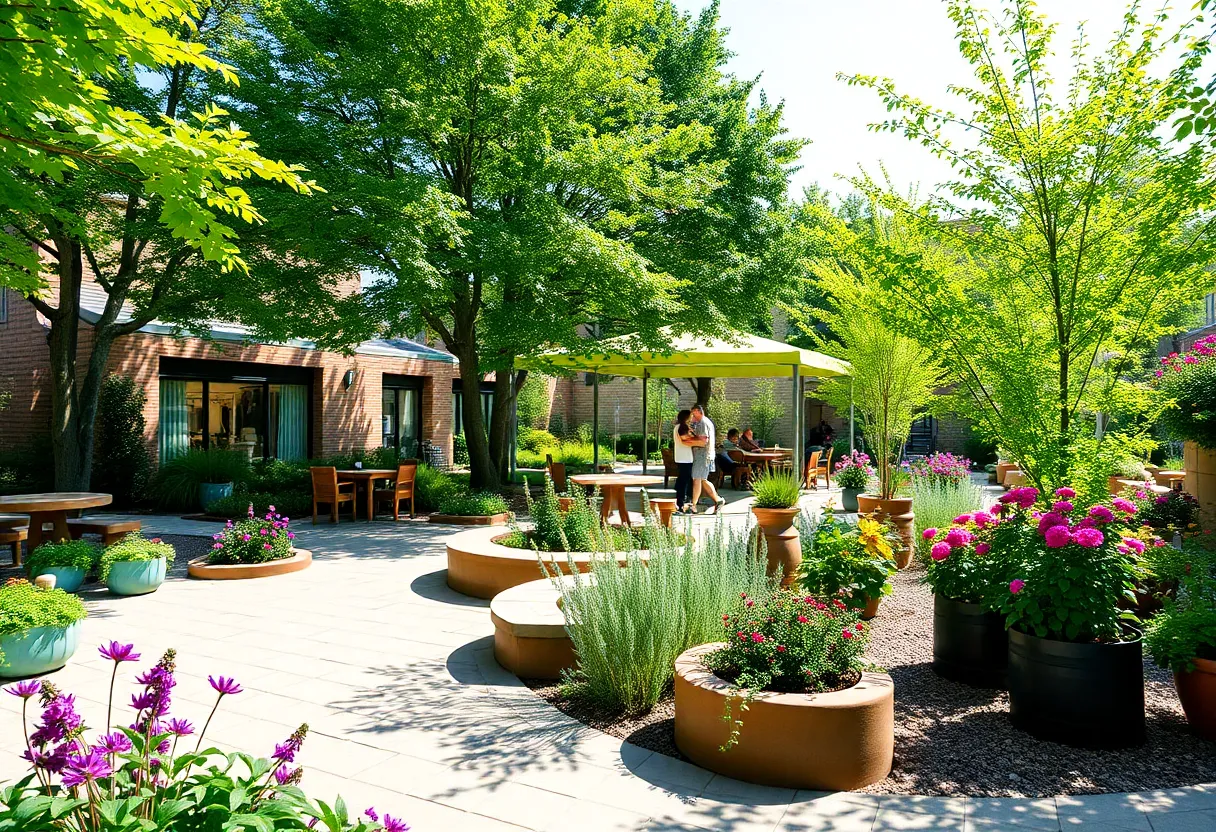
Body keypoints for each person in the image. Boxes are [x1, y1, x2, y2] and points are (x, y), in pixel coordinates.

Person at [689, 404, 725, 513]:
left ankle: (693, 505)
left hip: (702, 454)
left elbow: (703, 440)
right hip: (705, 454)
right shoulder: (705, 422)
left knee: (696, 479)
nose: (692, 416)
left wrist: (688, 441)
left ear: (697, 411)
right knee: (702, 480)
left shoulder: (703, 423)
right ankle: (718, 500)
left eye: (693, 413)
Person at [672, 409, 695, 512]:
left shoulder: (677, 427)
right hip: (685, 458)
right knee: (684, 480)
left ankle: (682, 499)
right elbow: (687, 441)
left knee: (683, 479)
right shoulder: (682, 428)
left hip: (680, 456)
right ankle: (680, 502)